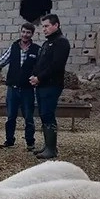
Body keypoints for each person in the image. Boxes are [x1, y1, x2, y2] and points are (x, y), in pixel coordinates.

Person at [0, 22, 40, 151]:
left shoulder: (36, 50)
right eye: (23, 32)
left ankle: (30, 143)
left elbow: (41, 67)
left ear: (32, 34)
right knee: (11, 117)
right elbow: (2, 61)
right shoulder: (14, 47)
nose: (25, 35)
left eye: (28, 33)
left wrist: (37, 77)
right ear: (20, 32)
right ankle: (9, 141)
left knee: (29, 117)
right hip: (12, 89)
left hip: (27, 89)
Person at [29, 14, 71, 159]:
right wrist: (34, 76)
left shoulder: (61, 42)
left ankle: (51, 149)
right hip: (42, 85)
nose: (44, 29)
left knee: (48, 114)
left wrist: (39, 77)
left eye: (47, 26)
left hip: (51, 85)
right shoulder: (48, 43)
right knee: (43, 114)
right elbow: (41, 63)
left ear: (56, 25)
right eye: (43, 27)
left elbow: (56, 66)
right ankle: (48, 146)